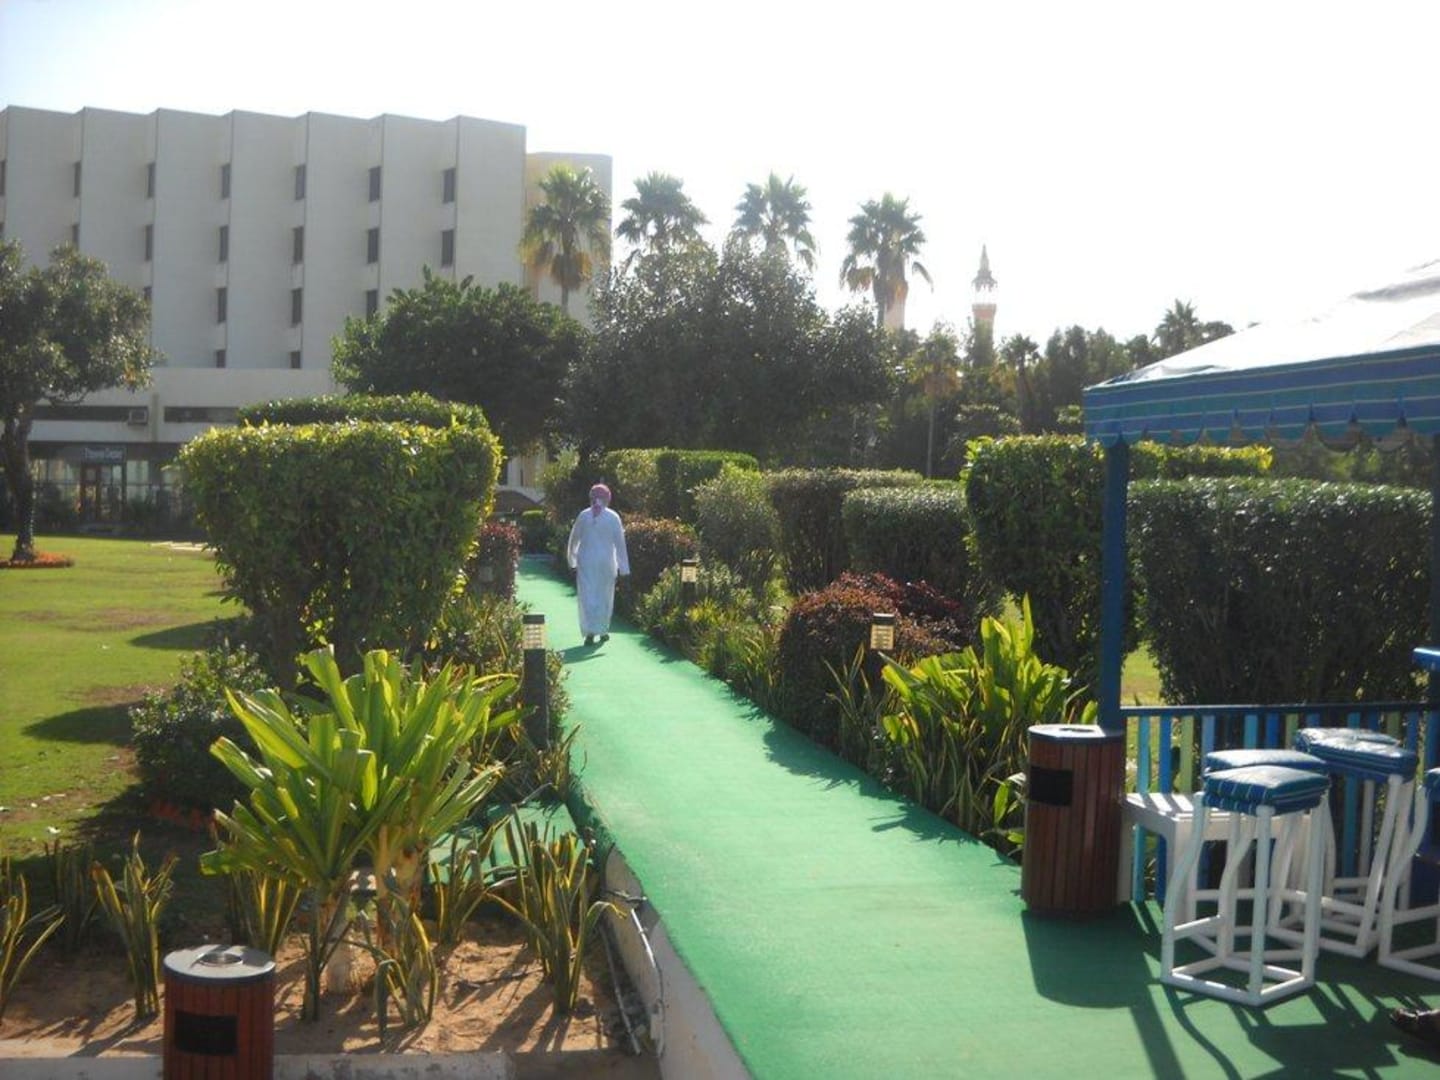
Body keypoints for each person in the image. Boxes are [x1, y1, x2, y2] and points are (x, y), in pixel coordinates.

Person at [566, 483, 630, 646]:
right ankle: (602, 629)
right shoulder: (613, 517)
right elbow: (620, 544)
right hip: (606, 563)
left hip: (586, 561)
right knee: (604, 596)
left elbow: (574, 540)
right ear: (608, 499)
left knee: (587, 596)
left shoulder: (584, 515)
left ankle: (590, 631)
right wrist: (624, 568)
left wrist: (572, 560)